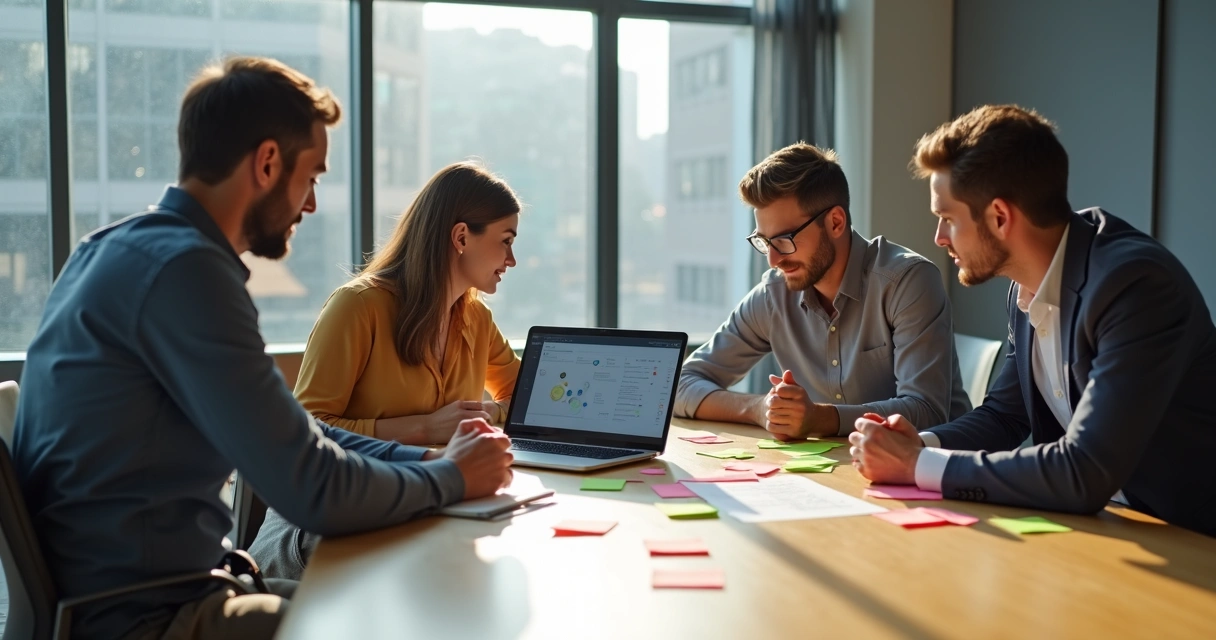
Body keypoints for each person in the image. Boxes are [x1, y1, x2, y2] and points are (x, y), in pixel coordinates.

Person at [10, 56, 513, 640]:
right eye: (313, 177)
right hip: (144, 617)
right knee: (405, 618)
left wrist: (428, 462)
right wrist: (451, 479)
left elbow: (295, 433)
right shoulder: (187, 275)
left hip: (150, 592)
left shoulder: (113, 250)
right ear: (269, 162)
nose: (312, 204)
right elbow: (312, 490)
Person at [849, 104, 1216, 537]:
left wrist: (916, 466)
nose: (939, 238)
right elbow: (1005, 417)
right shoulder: (1025, 286)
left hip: (1189, 538)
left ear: (1000, 217)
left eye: (947, 218)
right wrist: (918, 445)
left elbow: (1084, 470)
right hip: (1105, 528)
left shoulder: (1134, 286)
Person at [249, 162, 522, 579]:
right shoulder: (357, 307)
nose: (512, 259)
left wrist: (490, 414)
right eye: (506, 241)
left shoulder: (475, 319)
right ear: (462, 237)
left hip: (419, 510)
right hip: (321, 526)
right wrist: (424, 429)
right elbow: (309, 432)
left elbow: (525, 394)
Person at [674, 142, 971, 440]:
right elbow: (681, 385)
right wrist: (759, 408)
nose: (774, 259)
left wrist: (819, 418)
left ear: (836, 222)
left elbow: (926, 411)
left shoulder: (907, 282)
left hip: (927, 474)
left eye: (785, 239)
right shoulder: (774, 295)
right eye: (765, 242)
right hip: (829, 474)